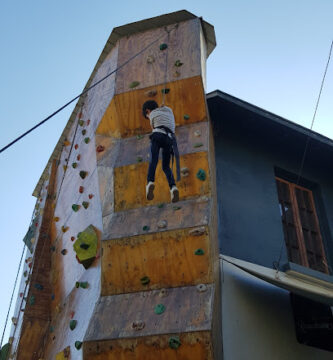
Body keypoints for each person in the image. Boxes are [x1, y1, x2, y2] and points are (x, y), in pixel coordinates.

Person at [142, 100, 180, 203]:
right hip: (169, 139)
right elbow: (165, 109)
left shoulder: (152, 114)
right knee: (166, 167)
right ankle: (173, 187)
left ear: (148, 111)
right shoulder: (169, 111)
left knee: (153, 160)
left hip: (158, 135)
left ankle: (150, 181)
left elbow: (153, 128)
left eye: (147, 115)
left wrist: (152, 116)